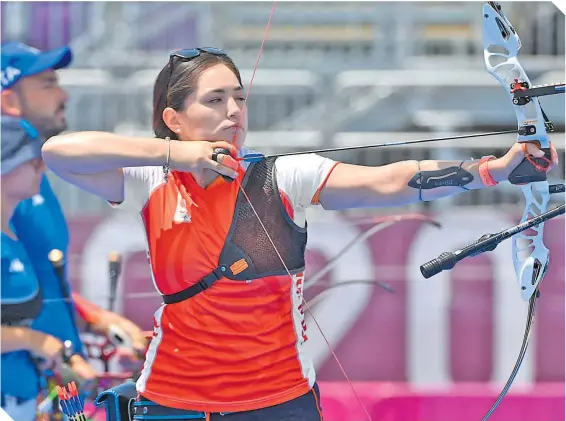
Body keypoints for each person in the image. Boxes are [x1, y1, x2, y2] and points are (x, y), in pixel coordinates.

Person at [41, 47, 559, 420]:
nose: (234, 112)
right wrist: (175, 154)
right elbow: (59, 152)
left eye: (238, 99)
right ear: (173, 118)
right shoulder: (147, 180)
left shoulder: (282, 177)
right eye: (215, 100)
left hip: (278, 402)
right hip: (172, 401)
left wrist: (492, 169)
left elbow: (386, 182)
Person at [1, 42, 148, 383]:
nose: (63, 94)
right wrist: (44, 345)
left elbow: (34, 284)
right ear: (7, 100)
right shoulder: (13, 179)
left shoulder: (32, 178)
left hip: (49, 389)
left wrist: (95, 317)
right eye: (48, 83)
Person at [0, 116, 67, 421]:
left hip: (22, 403)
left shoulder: (15, 235)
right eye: (32, 160)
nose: (42, 168)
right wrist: (35, 341)